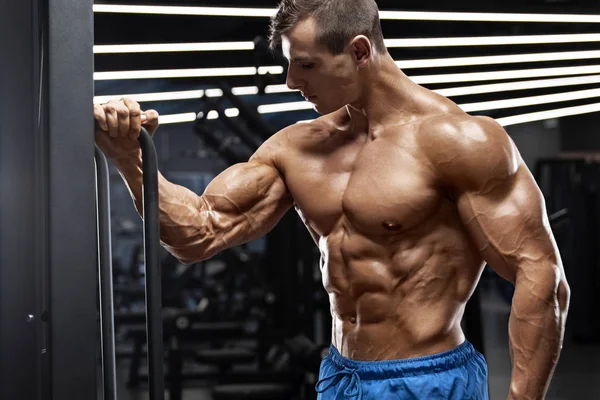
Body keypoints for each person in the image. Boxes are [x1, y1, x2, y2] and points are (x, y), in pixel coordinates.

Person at [94, 0, 570, 398]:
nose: (290, 82)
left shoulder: (460, 142)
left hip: (429, 380)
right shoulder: (296, 148)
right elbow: (199, 233)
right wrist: (131, 160)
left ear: (360, 51)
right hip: (341, 376)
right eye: (288, 63)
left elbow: (540, 273)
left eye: (306, 65)